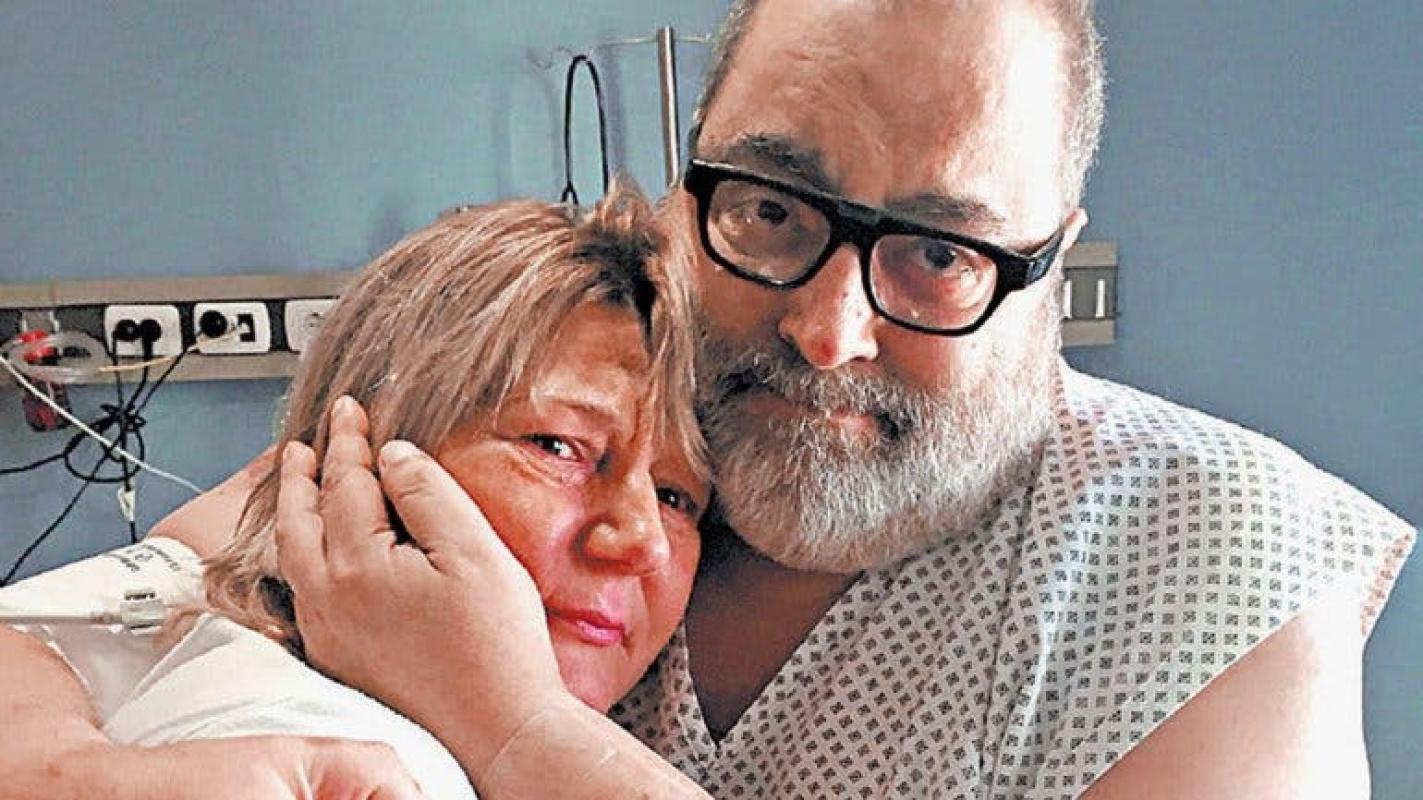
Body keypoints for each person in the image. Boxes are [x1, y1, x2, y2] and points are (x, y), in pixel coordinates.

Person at [3, 0, 1416, 798]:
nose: (824, 332)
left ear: (1049, 262)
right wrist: (66, 768)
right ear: (691, 188)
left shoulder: (1211, 553)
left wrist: (515, 728)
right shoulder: (634, 383)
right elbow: (84, 616)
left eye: (940, 253)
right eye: (772, 207)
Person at [0, 181, 714, 798]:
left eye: (676, 498)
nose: (641, 540)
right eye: (557, 447)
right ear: (355, 465)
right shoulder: (345, 762)